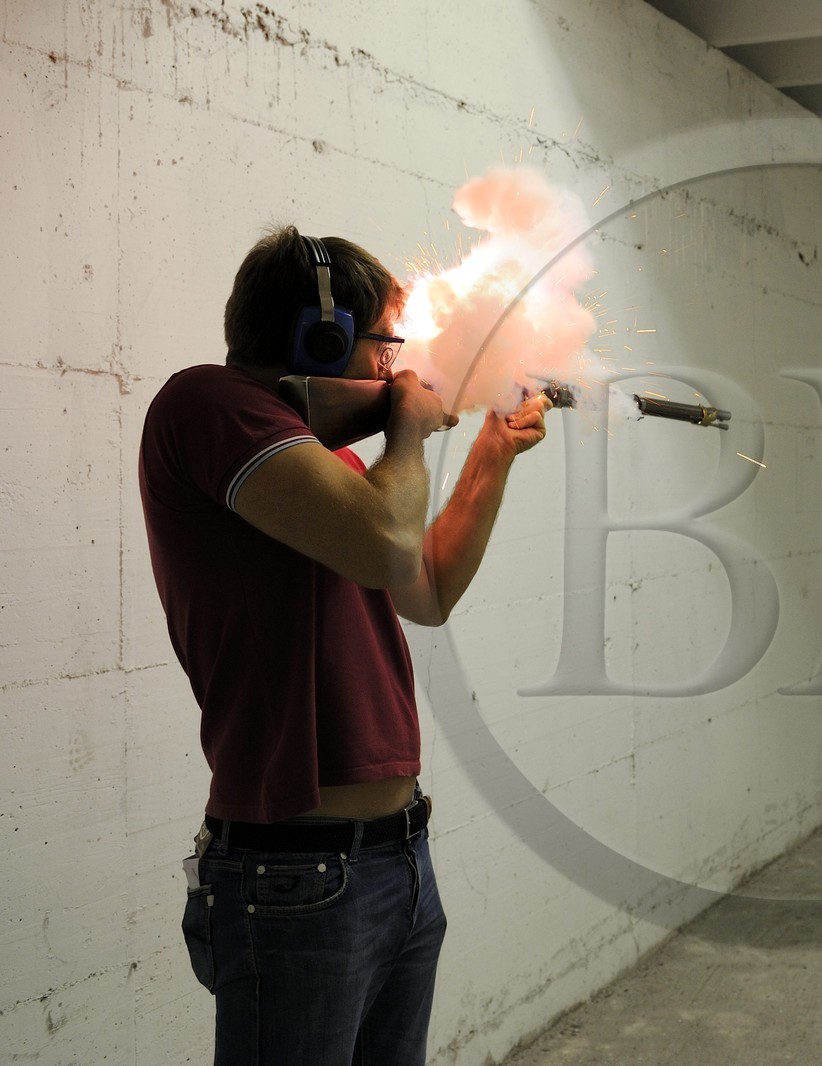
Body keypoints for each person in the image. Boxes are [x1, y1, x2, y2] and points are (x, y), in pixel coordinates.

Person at [138, 225, 551, 1065]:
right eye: (384, 348)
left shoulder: (331, 469)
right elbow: (382, 543)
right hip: (295, 875)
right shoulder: (206, 405)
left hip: (397, 858)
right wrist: (407, 427)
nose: (394, 370)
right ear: (316, 338)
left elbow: (424, 588)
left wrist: (491, 453)